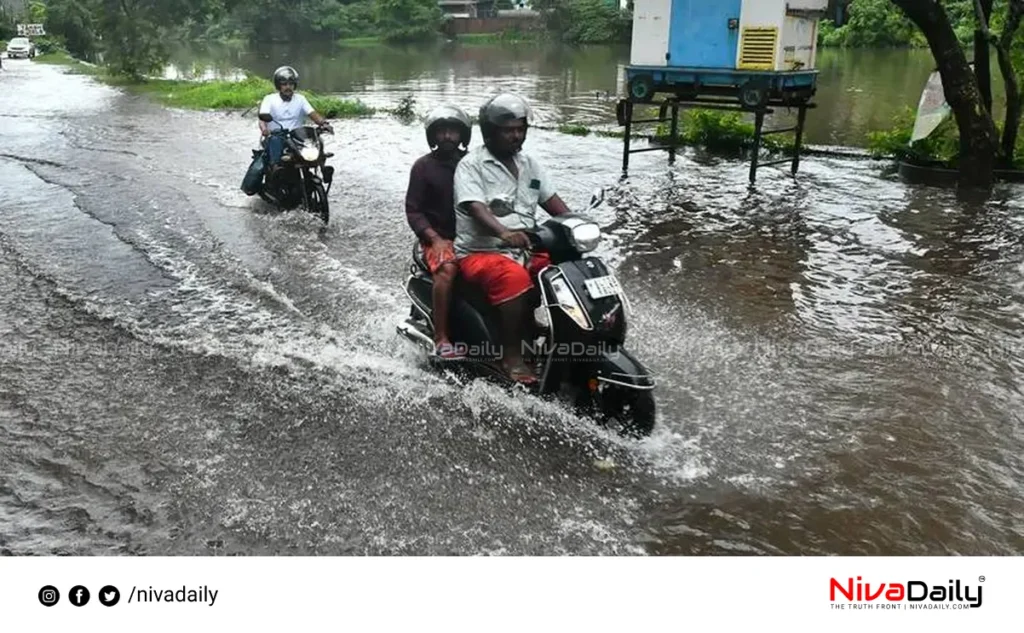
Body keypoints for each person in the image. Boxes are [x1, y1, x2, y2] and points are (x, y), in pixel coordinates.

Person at [452, 93, 573, 384]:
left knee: (566, 270)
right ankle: (512, 355)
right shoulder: (471, 165)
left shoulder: (530, 164)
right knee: (513, 278)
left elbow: (553, 202)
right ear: (490, 133)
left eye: (520, 129)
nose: (516, 135)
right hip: (481, 252)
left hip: (525, 248)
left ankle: (564, 336)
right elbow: (476, 208)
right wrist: (504, 232)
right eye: (508, 130)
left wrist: (576, 225)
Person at [405, 104, 473, 359]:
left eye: (453, 131)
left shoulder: (473, 164)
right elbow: (413, 210)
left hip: (473, 237)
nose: (447, 136)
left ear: (462, 135)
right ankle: (441, 338)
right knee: (447, 269)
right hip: (438, 238)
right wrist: (434, 239)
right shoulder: (423, 167)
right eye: (441, 131)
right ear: (432, 135)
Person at [258, 66, 333, 171]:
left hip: (297, 137)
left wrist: (323, 123)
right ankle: (276, 167)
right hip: (277, 136)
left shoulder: (300, 99)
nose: (288, 87)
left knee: (317, 140)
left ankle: (322, 166)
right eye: (284, 84)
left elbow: (312, 113)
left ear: (295, 85)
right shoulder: (269, 99)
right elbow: (262, 118)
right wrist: (264, 129)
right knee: (275, 141)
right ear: (279, 86)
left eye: (291, 84)